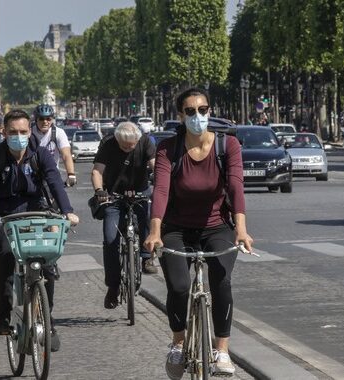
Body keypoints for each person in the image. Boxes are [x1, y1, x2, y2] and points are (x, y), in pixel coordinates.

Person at [143, 87, 253, 379]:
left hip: (217, 226)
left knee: (221, 281)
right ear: (180, 116)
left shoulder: (227, 145)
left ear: (210, 111)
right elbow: (162, 191)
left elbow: (235, 187)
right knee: (179, 286)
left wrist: (241, 229)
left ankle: (223, 351)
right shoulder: (169, 148)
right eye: (190, 111)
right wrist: (155, 232)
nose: (197, 116)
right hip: (177, 228)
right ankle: (178, 342)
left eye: (202, 110)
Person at [0, 109, 79, 352]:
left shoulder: (40, 154)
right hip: (5, 216)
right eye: (13, 132)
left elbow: (54, 181)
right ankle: (3, 313)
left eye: (23, 132)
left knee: (47, 259)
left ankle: (47, 316)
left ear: (29, 130)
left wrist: (67, 210)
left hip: (37, 211)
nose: (19, 136)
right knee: (5, 254)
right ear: (4, 132)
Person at [91, 121, 157, 309]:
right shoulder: (108, 144)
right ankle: (113, 286)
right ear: (117, 140)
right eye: (124, 146)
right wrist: (99, 191)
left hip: (140, 192)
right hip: (114, 194)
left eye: (132, 145)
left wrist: (160, 185)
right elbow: (97, 170)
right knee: (110, 239)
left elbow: (155, 165)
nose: (129, 148)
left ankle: (146, 257)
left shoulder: (145, 142)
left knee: (146, 217)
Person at [30, 104, 77, 187]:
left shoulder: (58, 133)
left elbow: (66, 155)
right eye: (41, 119)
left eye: (48, 119)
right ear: (36, 120)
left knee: (60, 197)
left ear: (52, 120)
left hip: (51, 173)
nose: (45, 122)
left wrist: (71, 174)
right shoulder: (29, 133)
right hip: (32, 174)